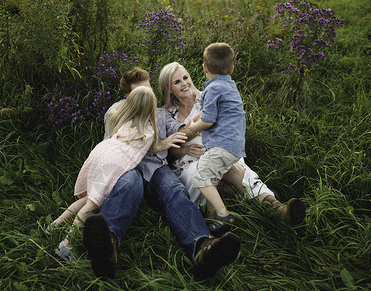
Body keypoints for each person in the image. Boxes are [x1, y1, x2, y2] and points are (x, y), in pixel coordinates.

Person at [82, 67, 241, 280]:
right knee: (129, 185)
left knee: (174, 190)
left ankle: (203, 247)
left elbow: (181, 130)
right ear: (128, 96)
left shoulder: (161, 114)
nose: (148, 97)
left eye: (149, 90)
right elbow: (116, 143)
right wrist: (159, 144)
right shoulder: (117, 111)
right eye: (140, 92)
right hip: (128, 168)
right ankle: (106, 246)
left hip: (156, 167)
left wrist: (201, 121)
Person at [159, 61, 306, 236]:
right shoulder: (166, 114)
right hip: (188, 163)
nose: (184, 83)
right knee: (204, 170)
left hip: (217, 150)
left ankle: (278, 209)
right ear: (169, 89)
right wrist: (184, 150)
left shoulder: (208, 97)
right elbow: (169, 150)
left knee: (231, 166)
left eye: (185, 77)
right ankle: (224, 206)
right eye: (177, 82)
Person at [49, 86, 159, 262]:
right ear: (151, 108)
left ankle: (54, 225)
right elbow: (152, 149)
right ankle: (66, 245)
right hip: (114, 163)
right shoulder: (149, 131)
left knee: (86, 198)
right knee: (92, 204)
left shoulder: (123, 121)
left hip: (101, 152)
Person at [182, 42, 246, 237]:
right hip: (234, 145)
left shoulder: (212, 88)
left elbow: (208, 120)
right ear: (232, 69)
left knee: (200, 176)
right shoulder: (229, 85)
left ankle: (223, 214)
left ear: (204, 68)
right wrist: (197, 116)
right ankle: (212, 217)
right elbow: (211, 111)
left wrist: (193, 127)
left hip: (222, 145)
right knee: (212, 178)